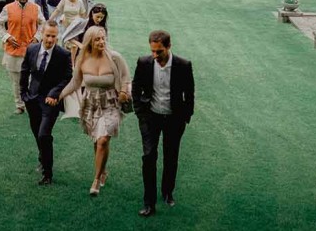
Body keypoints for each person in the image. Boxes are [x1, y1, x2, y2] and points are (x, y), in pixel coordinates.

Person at [58, 26, 131, 196]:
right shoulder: (83, 60)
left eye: (103, 38)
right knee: (97, 140)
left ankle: (96, 179)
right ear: (90, 42)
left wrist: (123, 92)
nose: (101, 42)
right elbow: (75, 83)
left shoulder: (115, 57)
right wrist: (59, 96)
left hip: (111, 103)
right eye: (97, 39)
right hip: (91, 103)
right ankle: (103, 170)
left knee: (103, 140)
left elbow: (126, 77)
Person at [132, 30, 195, 217]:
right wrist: (140, 112)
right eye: (152, 51)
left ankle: (167, 192)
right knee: (149, 156)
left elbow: (189, 94)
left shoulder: (183, 65)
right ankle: (149, 203)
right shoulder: (144, 63)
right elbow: (136, 86)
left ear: (169, 47)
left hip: (174, 119)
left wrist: (186, 116)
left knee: (171, 156)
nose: (155, 55)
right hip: (150, 117)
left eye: (159, 51)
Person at [20, 20, 72, 186]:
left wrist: (54, 93)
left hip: (50, 102)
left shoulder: (63, 55)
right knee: (37, 134)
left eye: (54, 36)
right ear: (41, 34)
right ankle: (43, 157)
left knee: (44, 135)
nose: (50, 39)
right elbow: (24, 71)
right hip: (32, 99)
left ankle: (47, 173)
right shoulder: (31, 49)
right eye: (48, 35)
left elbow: (67, 77)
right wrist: (23, 94)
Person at [0, 0, 46, 114]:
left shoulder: (35, 8)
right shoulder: (8, 8)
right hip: (13, 50)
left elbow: (43, 23)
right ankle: (20, 105)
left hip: (31, 51)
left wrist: (37, 37)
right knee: (16, 81)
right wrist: (7, 37)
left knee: (31, 79)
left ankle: (31, 102)